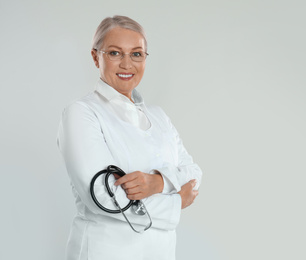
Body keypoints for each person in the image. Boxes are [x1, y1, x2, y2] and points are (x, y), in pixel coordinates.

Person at [57, 15, 202, 260]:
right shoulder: (82, 113)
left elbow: (194, 173)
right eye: (115, 53)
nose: (127, 64)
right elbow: (103, 197)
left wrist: (157, 183)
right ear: (96, 57)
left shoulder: (158, 116)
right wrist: (176, 202)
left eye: (136, 54)